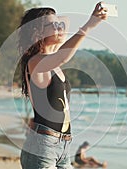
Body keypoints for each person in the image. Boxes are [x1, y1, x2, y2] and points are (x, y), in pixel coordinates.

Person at [18, 2, 107, 168]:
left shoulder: (52, 62)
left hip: (63, 147)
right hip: (42, 146)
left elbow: (64, 24)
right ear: (37, 32)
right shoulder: (35, 62)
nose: (60, 27)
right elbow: (63, 56)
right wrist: (88, 26)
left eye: (59, 24)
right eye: (53, 25)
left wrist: (54, 21)